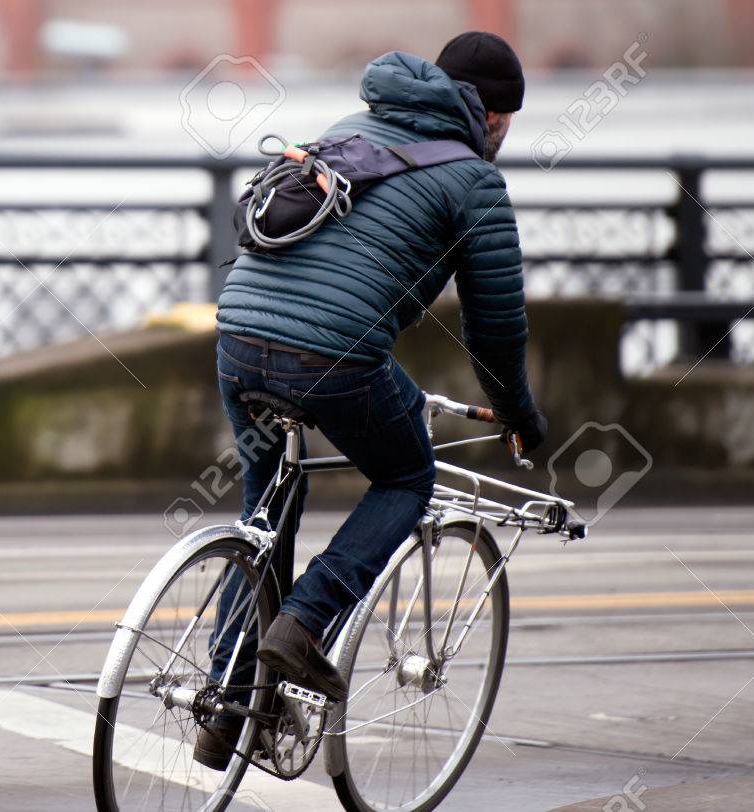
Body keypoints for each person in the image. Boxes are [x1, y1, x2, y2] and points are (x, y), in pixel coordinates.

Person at [195, 31, 547, 770]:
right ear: (490, 117)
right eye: (507, 125)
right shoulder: (473, 180)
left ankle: (225, 713)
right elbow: (495, 331)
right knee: (406, 477)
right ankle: (302, 624)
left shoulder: (348, 130)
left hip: (236, 337)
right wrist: (520, 412)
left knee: (266, 509)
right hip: (334, 357)